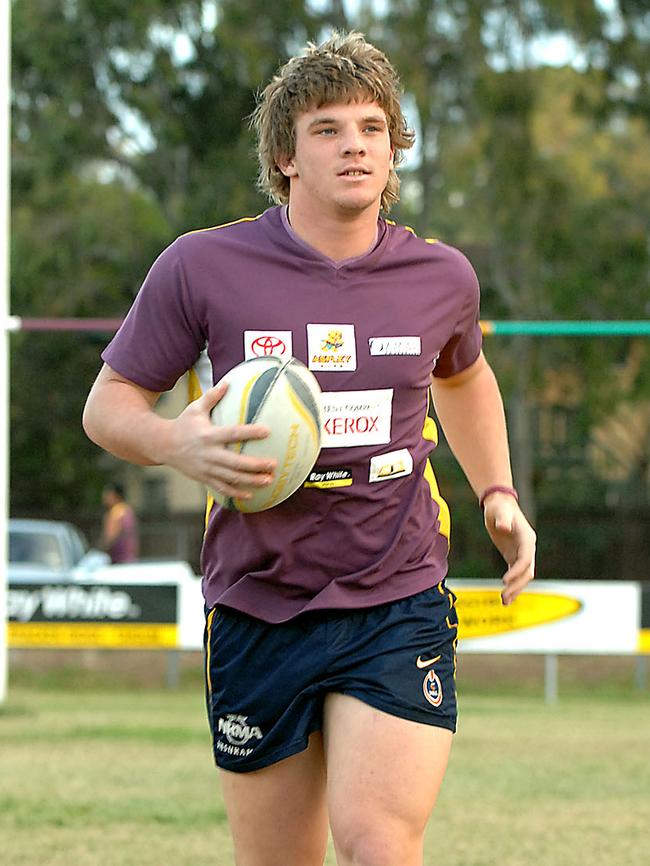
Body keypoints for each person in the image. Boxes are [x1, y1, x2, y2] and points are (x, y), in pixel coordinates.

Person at [83, 31, 536, 866]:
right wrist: (176, 444)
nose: (354, 144)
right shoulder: (201, 267)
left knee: (379, 844)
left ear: (394, 154)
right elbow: (107, 407)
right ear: (286, 156)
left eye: (372, 127)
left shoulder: (443, 279)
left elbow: (465, 378)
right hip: (259, 603)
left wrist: (497, 492)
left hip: (396, 595)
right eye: (327, 128)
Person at [100, 482, 139, 563]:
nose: (104, 498)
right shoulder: (128, 510)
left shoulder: (116, 513)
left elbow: (110, 537)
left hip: (117, 559)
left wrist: (100, 551)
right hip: (129, 556)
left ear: (115, 495)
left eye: (107, 495)